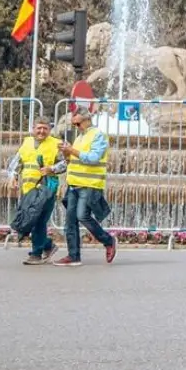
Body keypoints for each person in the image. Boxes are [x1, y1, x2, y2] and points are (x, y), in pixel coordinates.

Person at [58, 108, 116, 267]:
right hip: (74, 184)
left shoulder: (98, 135)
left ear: (87, 119)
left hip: (90, 184)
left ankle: (108, 240)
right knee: (70, 221)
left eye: (78, 123)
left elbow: (93, 158)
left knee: (82, 216)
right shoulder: (79, 137)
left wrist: (72, 150)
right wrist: (66, 153)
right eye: (74, 124)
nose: (76, 127)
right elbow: (72, 160)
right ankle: (73, 256)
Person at [9, 118, 65, 266]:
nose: (41, 131)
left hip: (47, 188)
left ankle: (36, 254)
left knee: (39, 220)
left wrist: (52, 169)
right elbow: (17, 163)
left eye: (45, 128)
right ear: (33, 129)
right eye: (39, 128)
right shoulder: (26, 143)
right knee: (31, 220)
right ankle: (47, 245)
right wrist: (13, 177)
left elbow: (65, 163)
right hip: (29, 189)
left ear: (49, 130)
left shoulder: (56, 144)